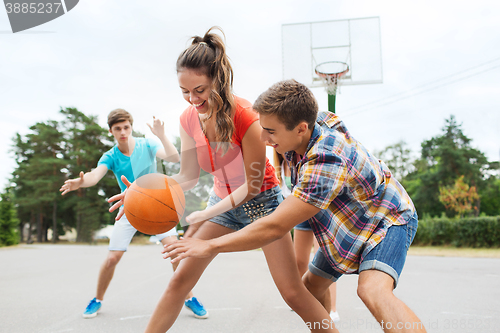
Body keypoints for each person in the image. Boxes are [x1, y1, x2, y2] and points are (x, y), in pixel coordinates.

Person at [109, 28, 336, 333]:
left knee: (293, 293)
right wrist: (140, 191)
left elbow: (253, 185)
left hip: (263, 205)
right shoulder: (188, 118)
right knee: (179, 281)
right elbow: (187, 176)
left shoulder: (247, 116)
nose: (192, 99)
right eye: (184, 91)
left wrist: (206, 215)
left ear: (218, 78)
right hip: (223, 204)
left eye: (199, 90)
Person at [165, 79, 427, 333]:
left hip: (384, 219)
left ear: (301, 128)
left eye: (271, 131)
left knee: (371, 290)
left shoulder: (325, 162)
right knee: (309, 291)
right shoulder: (309, 122)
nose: (264, 138)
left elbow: (274, 226)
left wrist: (209, 245)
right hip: (344, 226)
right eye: (263, 128)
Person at [59, 109, 208, 319]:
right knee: (112, 258)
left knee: (174, 251)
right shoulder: (111, 155)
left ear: (131, 126)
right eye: (118, 128)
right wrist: (81, 182)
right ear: (111, 130)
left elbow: (173, 157)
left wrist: (161, 134)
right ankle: (97, 299)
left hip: (158, 206)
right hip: (129, 208)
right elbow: (94, 176)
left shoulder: (147, 145)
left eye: (126, 127)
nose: (123, 132)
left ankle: (189, 297)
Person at [274, 151, 340, 323]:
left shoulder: (304, 156)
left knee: (325, 264)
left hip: (320, 212)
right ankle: (308, 300)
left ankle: (332, 309)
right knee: (300, 262)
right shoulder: (280, 166)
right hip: (299, 217)